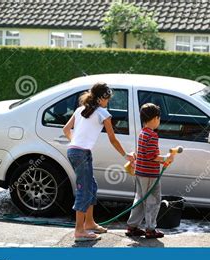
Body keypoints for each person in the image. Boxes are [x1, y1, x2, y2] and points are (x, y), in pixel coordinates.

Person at [63, 82, 135, 242]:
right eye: (108, 99)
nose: (108, 102)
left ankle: (89, 223)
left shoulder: (80, 109)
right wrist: (126, 155)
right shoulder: (103, 113)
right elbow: (112, 139)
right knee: (84, 189)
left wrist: (74, 142)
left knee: (91, 186)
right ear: (102, 98)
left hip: (76, 151)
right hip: (81, 153)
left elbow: (66, 130)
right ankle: (79, 231)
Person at [125, 103, 175, 239]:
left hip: (140, 173)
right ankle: (150, 229)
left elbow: (145, 154)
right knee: (154, 200)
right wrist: (166, 158)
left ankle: (132, 226)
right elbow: (152, 156)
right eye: (159, 119)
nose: (159, 121)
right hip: (150, 174)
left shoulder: (142, 133)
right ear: (155, 119)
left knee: (140, 199)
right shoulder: (152, 135)